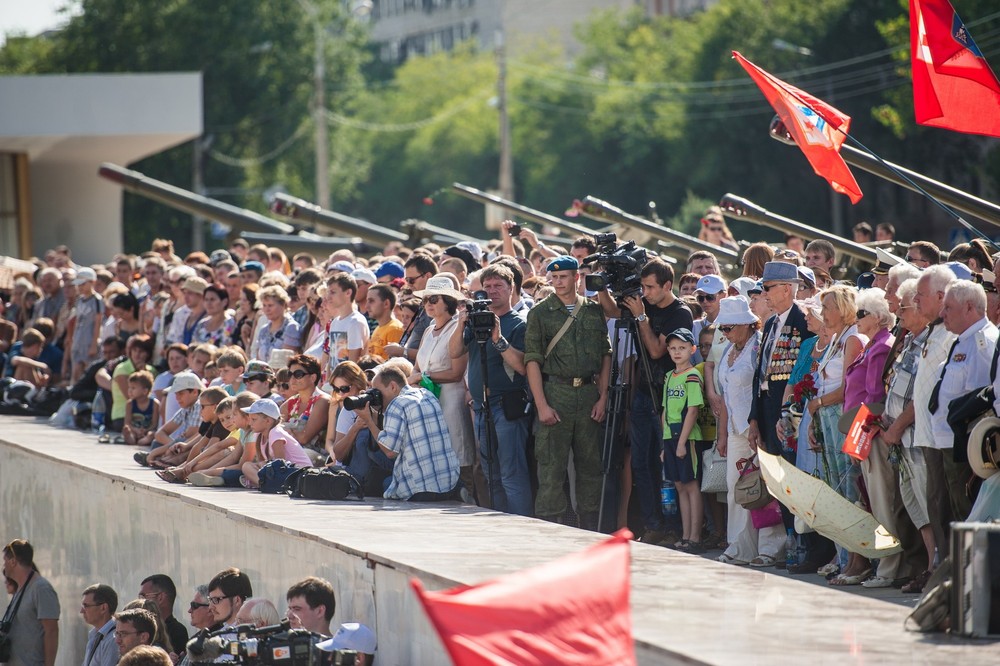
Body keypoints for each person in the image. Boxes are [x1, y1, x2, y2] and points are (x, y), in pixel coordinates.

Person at [598, 258, 693, 543]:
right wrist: (601, 287)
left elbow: (654, 351)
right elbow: (613, 311)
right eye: (643, 287)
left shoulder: (680, 312)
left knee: (667, 465)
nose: (646, 293)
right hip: (641, 391)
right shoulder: (645, 303)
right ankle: (652, 525)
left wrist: (641, 317)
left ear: (667, 285)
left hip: (667, 395)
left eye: (651, 287)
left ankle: (674, 526)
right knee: (640, 462)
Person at [524, 255, 611, 529]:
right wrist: (541, 405)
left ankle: (590, 526)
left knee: (590, 465)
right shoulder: (540, 312)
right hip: (555, 391)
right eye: (554, 277)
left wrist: (603, 396)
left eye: (563, 277)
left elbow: (606, 355)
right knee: (550, 465)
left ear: (577, 278)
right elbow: (532, 361)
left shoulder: (593, 310)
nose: (558, 282)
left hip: (587, 393)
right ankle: (549, 526)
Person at [449, 263, 530, 514]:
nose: (492, 292)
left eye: (498, 286)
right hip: (482, 407)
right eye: (487, 287)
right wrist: (462, 322)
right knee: (490, 473)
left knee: (511, 473)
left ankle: (521, 525)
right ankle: (500, 521)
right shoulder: (475, 321)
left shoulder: (519, 323)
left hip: (507, 405)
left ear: (511, 289)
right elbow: (454, 352)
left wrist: (498, 339)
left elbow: (522, 366)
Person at [715, 297, 784, 566]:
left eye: (729, 327)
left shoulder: (759, 346)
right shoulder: (727, 350)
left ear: (746, 324)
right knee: (737, 488)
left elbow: (761, 390)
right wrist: (722, 434)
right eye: (722, 328)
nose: (725, 333)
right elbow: (724, 397)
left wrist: (758, 426)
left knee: (765, 487)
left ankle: (770, 546)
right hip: (734, 429)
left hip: (758, 427)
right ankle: (739, 545)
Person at [933, 280, 997, 526]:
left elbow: (981, 402)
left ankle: (972, 565)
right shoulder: (965, 339)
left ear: (969, 307)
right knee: (958, 515)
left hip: (966, 446)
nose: (942, 313)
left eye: (948, 307)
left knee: (969, 515)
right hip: (951, 442)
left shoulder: (983, 342)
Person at [353, 363, 460, 501]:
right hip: (450, 482)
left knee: (383, 483)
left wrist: (368, 420)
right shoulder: (427, 394)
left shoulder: (397, 404)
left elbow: (390, 452)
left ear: (393, 386)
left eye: (377, 392)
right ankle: (458, 492)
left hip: (420, 490)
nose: (375, 396)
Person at [409, 276, 476, 494]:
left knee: (460, 459)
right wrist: (416, 378)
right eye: (426, 299)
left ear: (448, 301)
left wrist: (422, 377)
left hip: (452, 403)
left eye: (434, 299)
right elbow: (417, 366)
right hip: (429, 404)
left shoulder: (458, 327)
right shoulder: (428, 330)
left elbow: (456, 373)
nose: (428, 303)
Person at [660, 329, 705, 552]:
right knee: (679, 486)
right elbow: (664, 411)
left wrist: (681, 442)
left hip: (686, 437)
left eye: (682, 348)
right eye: (673, 348)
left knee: (690, 484)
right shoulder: (669, 376)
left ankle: (695, 536)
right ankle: (685, 534)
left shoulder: (693, 375)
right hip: (670, 436)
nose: (677, 352)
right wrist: (664, 442)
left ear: (692, 349)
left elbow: (693, 410)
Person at [1, 539, 60, 666]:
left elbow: (51, 631)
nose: (3, 566)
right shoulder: (21, 588)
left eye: (4, 561)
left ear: (13, 562)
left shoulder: (41, 588)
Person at [240, 398, 314, 488]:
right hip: (282, 471)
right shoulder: (258, 435)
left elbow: (280, 463)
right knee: (246, 466)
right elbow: (263, 461)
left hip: (298, 473)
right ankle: (264, 483)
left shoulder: (276, 433)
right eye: (250, 419)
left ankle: (265, 484)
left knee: (248, 469)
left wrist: (262, 466)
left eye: (254, 419)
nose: (250, 423)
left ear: (268, 421)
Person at [280, 354, 330, 461]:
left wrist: (285, 429)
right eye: (290, 374)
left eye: (298, 374)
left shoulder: (322, 401)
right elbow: (272, 428)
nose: (292, 379)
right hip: (292, 452)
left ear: (313, 377)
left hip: (314, 456)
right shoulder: (291, 402)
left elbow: (304, 438)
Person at [139, 575, 188, 656]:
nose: (140, 601)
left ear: (160, 597)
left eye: (143, 596)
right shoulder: (143, 628)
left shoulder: (177, 632)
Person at [80, 584, 118, 666]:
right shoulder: (94, 635)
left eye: (85, 606)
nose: (81, 611)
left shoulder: (114, 639)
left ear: (103, 608)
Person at [122, 371, 160, 447]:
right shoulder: (130, 404)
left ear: (145, 391)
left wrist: (146, 430)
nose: (129, 390)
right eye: (129, 387)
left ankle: (145, 440)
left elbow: (154, 423)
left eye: (133, 388)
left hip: (147, 431)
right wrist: (135, 430)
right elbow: (127, 423)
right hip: (134, 430)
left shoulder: (155, 404)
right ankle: (131, 438)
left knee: (152, 434)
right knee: (127, 429)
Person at [365, 285, 403, 360]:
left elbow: (393, 363)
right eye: (367, 301)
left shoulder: (395, 329)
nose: (367, 306)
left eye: (371, 301)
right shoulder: (378, 328)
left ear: (386, 303)